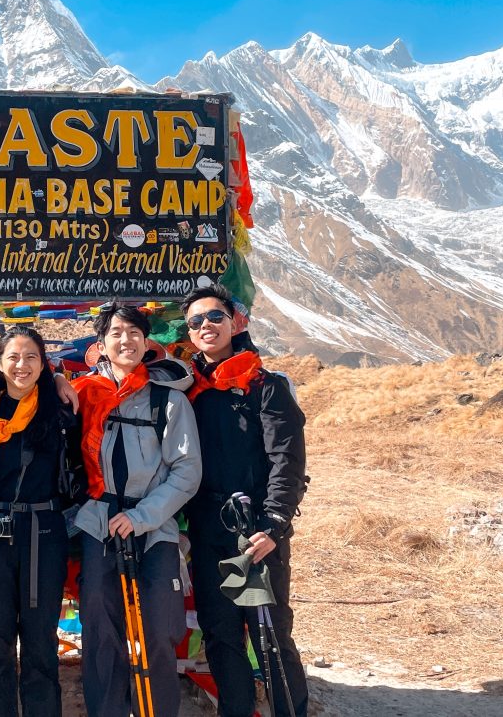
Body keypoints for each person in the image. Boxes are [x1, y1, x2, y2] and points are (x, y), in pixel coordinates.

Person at [181, 283, 309, 717]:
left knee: (269, 634)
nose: (205, 326)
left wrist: (274, 524)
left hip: (256, 532)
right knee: (220, 633)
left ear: (236, 322)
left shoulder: (266, 387)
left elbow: (287, 460)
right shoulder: (188, 391)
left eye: (214, 316)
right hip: (208, 528)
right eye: (195, 321)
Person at [74, 302, 202, 717]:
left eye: (134, 333)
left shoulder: (168, 401)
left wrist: (142, 516)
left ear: (147, 342)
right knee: (100, 628)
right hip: (99, 524)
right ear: (101, 344)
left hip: (154, 528)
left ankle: (157, 710)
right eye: (116, 333)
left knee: (158, 629)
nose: (125, 340)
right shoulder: (83, 394)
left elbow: (186, 471)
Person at [0, 326, 81, 717]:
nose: (22, 365)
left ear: (43, 362)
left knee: (41, 638)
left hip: (44, 533)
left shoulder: (60, 408)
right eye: (13, 356)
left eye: (32, 356)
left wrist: (60, 375)